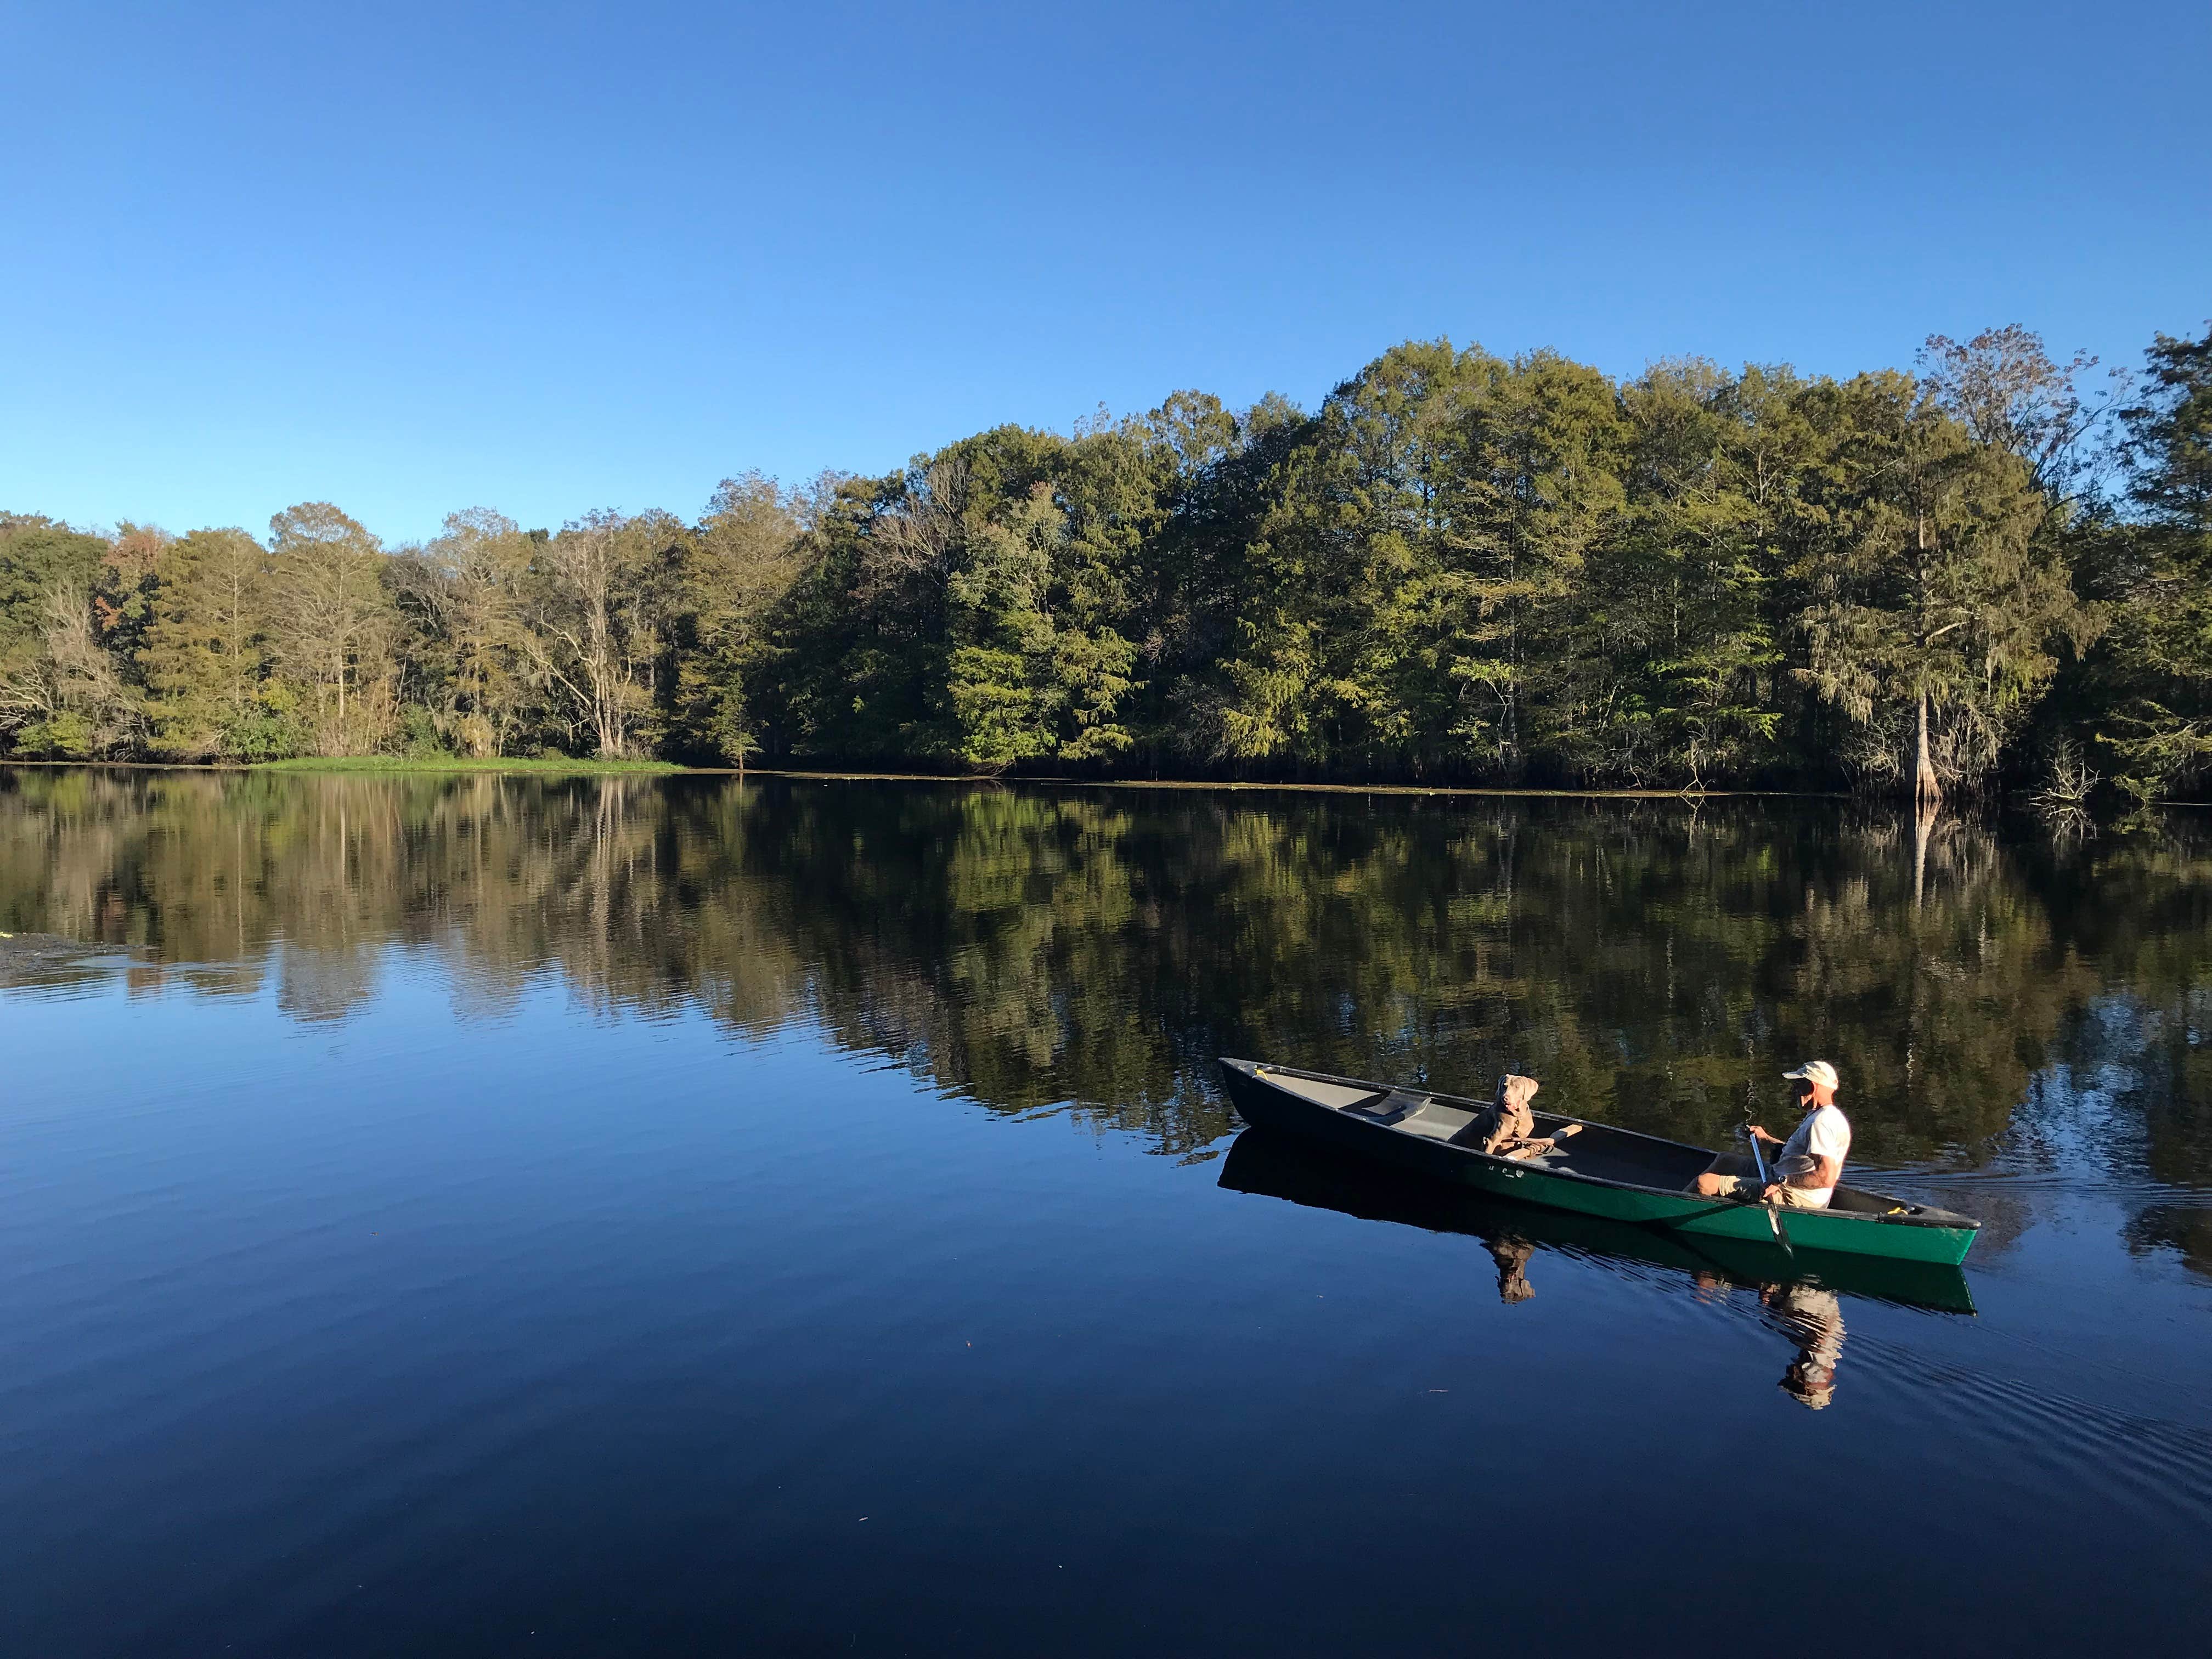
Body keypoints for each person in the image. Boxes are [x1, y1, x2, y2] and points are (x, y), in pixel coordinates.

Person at [1691, 1060, 1852, 1209]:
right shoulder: (1825, 1115)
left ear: (1811, 1087)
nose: (1794, 1090)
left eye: (1798, 1084)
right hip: (1782, 1177)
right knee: (1726, 1160)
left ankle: (1677, 1217)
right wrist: (1766, 1139)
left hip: (1796, 1194)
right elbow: (1800, 1156)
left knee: (1704, 1183)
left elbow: (1826, 1178)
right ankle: (1678, 1199)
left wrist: (1782, 1181)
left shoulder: (1821, 1123)